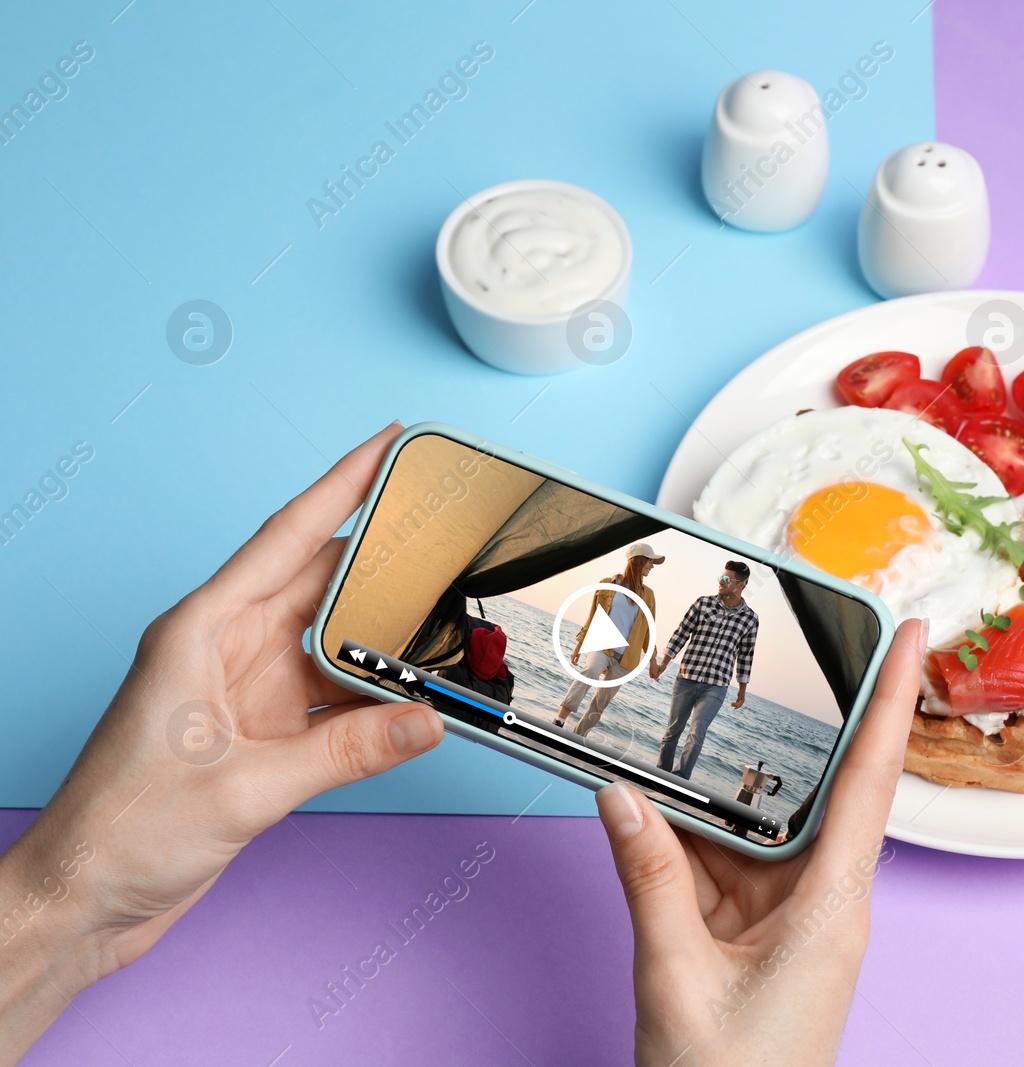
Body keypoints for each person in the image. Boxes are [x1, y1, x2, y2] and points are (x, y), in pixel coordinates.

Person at [0, 424, 928, 1066]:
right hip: (660, 669)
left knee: (678, 752)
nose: (723, 578)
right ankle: (639, 754)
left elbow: (732, 645)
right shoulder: (687, 601)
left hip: (690, 685)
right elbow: (670, 628)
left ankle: (675, 778)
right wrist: (66, 902)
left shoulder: (735, 618)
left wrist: (60, 900)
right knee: (605, 708)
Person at [650, 562, 759, 780]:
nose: (721, 581)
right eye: (721, 576)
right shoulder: (703, 604)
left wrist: (742, 689)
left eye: (727, 579)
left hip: (716, 685)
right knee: (673, 729)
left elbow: (746, 655)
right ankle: (660, 775)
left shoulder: (750, 619)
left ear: (741, 585)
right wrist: (663, 664)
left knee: (697, 731)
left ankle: (679, 780)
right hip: (687, 677)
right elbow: (681, 633)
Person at [554, 542, 663, 736]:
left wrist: (653, 662)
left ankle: (578, 736)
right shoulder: (608, 584)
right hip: (602, 645)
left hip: (627, 657)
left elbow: (649, 630)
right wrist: (578, 645)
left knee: (601, 701)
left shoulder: (649, 595)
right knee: (590, 670)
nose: (652, 566)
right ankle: (560, 720)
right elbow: (592, 616)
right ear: (638, 561)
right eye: (650, 561)